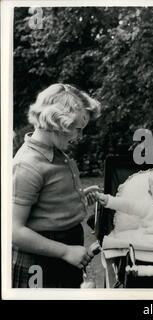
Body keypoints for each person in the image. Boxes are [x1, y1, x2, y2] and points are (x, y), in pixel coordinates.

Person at [12, 83, 102, 288]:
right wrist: (65, 251)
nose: (79, 137)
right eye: (77, 130)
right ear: (57, 122)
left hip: (65, 249)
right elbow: (13, 231)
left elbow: (48, 199)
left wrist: (75, 199)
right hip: (39, 259)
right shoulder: (28, 164)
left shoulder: (56, 152)